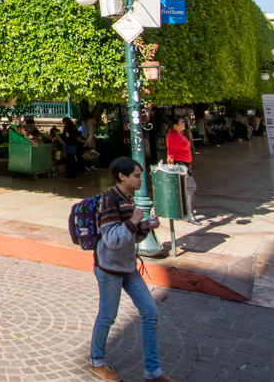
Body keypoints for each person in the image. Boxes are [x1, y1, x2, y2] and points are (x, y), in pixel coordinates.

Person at [88, 157, 174, 382]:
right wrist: (134, 221)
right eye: (136, 175)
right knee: (107, 315)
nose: (140, 180)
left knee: (150, 312)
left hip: (128, 266)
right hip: (109, 268)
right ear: (122, 176)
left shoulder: (129, 199)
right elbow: (112, 240)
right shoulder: (108, 201)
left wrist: (144, 226)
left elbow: (131, 237)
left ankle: (152, 371)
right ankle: (96, 361)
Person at [165, 117, 199, 224]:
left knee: (185, 188)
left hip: (184, 164)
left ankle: (185, 213)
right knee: (191, 187)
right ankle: (189, 214)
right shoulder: (172, 136)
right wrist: (171, 167)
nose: (184, 124)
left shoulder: (180, 134)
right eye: (181, 122)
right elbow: (171, 153)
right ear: (175, 125)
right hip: (179, 165)